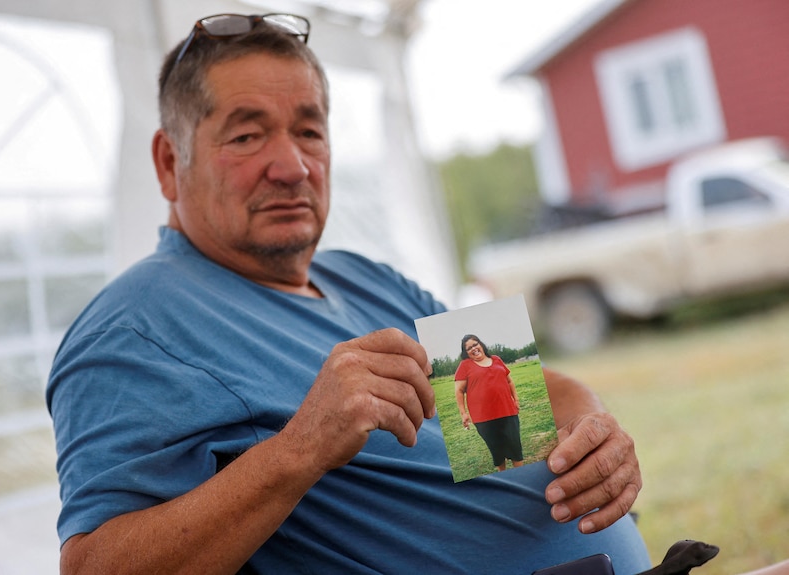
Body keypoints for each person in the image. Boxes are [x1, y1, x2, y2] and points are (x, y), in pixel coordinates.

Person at [47, 13, 651, 575]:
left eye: (308, 131)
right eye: (247, 136)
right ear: (167, 161)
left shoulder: (368, 277)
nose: (291, 166)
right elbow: (94, 565)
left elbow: (533, 406)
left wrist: (593, 437)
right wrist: (301, 450)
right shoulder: (132, 328)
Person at [455, 334, 524, 471]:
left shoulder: (496, 359)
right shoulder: (465, 365)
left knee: (516, 449)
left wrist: (515, 399)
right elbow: (459, 391)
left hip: (507, 411)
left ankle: (522, 476)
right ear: (466, 353)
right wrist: (463, 413)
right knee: (497, 452)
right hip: (483, 418)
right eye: (469, 348)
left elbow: (509, 381)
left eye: (475, 344)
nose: (473, 348)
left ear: (481, 344)